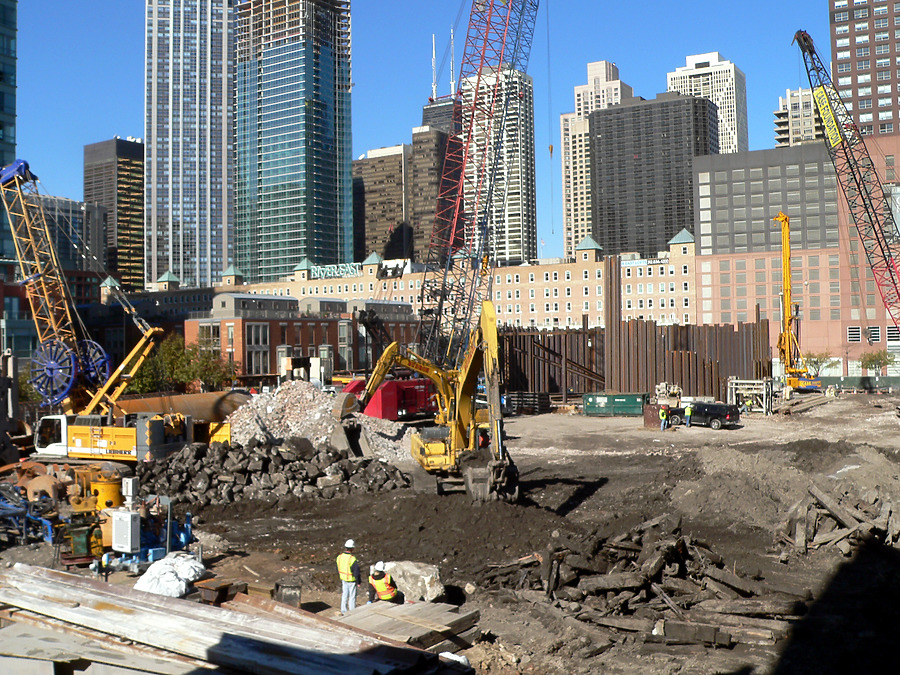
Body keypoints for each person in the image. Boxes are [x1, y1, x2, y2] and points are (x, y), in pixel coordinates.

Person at [336, 539, 361, 615]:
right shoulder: (352, 558)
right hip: (351, 580)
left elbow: (338, 567)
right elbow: (356, 572)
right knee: (352, 596)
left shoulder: (339, 557)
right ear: (352, 548)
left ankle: (343, 610)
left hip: (343, 578)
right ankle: (352, 611)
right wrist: (358, 581)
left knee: (344, 595)